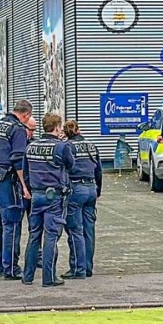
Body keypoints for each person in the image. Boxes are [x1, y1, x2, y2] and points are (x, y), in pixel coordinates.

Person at [21, 112, 75, 287]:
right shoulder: (61, 147)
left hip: (36, 195)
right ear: (58, 127)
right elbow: (70, 165)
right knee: (51, 236)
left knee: (34, 235)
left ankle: (27, 276)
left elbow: (26, 172)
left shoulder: (31, 147)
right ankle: (48, 277)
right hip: (54, 196)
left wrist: (32, 188)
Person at [0, 100, 32, 279]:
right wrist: (24, 186)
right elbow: (18, 159)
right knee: (11, 224)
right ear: (26, 115)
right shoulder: (17, 128)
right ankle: (11, 269)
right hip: (6, 179)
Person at [62, 119, 102, 279]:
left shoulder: (67, 147)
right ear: (79, 129)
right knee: (89, 230)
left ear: (65, 133)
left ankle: (77, 268)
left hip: (75, 189)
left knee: (74, 230)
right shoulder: (91, 145)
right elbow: (98, 170)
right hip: (91, 188)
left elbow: (64, 169)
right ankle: (88, 267)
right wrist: (98, 190)